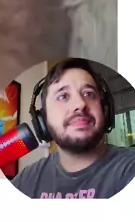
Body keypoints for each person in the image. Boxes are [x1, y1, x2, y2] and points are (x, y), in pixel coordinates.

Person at [12, 58, 135, 198]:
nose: (80, 104)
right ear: (43, 119)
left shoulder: (129, 167)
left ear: (105, 110)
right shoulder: (26, 181)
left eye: (89, 94)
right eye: (63, 96)